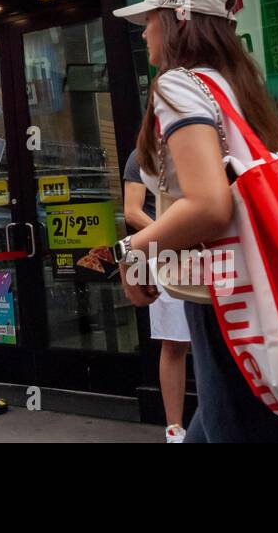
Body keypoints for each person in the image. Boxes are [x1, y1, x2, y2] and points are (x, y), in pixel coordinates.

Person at [108, 0, 278, 443]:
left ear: (179, 19)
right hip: (268, 283)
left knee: (237, 424)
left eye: (151, 20)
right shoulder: (239, 87)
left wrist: (132, 251)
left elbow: (208, 205)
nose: (145, 34)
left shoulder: (178, 84)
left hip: (228, 292)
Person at [121, 148, 191, 443]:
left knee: (217, 338)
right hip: (168, 256)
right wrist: (170, 234)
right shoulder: (142, 155)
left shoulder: (199, 142)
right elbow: (132, 210)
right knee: (174, 341)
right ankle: (174, 428)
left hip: (206, 251)